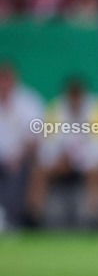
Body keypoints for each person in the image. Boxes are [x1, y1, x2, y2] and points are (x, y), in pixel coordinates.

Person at [27, 77, 98, 228]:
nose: (75, 101)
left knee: (94, 173)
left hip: (92, 162)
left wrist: (77, 159)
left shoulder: (97, 110)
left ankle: (96, 218)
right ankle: (33, 218)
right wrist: (59, 160)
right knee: (39, 173)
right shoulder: (55, 110)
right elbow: (48, 144)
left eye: (77, 96)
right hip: (61, 162)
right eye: (72, 96)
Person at [0, 63, 44, 229]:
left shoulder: (28, 102)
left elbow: (34, 138)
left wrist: (18, 158)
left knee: (18, 173)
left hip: (20, 158)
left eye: (6, 80)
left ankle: (13, 221)